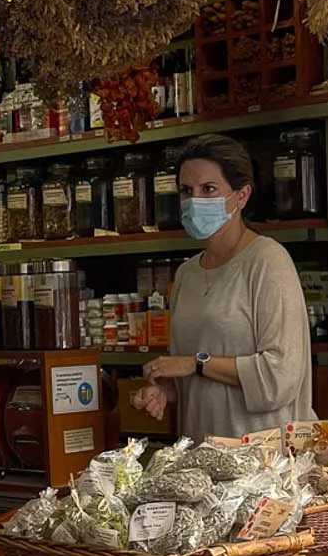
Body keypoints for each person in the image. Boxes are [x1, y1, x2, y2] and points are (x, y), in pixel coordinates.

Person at [133, 136, 314, 437]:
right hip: (202, 451)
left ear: (241, 196)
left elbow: (280, 375)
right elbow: (189, 376)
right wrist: (164, 391)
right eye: (186, 191)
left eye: (209, 189)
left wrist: (196, 364)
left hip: (261, 453)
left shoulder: (268, 261)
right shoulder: (187, 274)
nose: (194, 200)